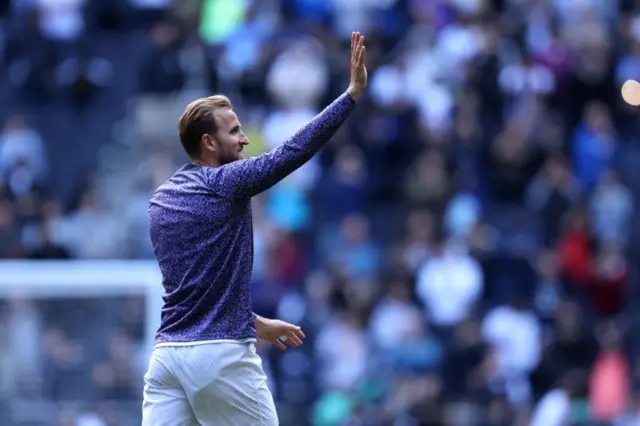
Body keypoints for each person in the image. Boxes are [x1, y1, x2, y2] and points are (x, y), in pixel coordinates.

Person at [142, 32, 368, 425]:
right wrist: (350, 96)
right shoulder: (223, 183)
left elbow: (198, 295)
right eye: (234, 132)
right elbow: (291, 153)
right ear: (209, 143)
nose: (245, 139)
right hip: (221, 358)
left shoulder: (161, 199)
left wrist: (257, 323)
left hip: (166, 361)